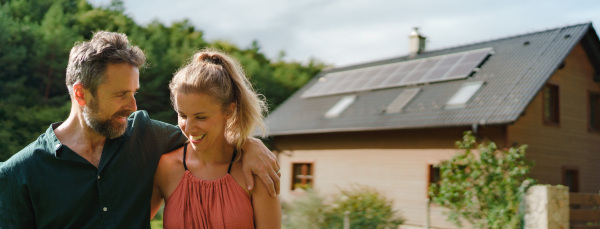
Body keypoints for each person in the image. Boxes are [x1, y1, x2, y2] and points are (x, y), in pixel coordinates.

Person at [0, 31, 280, 228]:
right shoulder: (18, 174)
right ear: (81, 94)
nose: (133, 106)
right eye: (121, 95)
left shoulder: (145, 136)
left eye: (134, 92)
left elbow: (209, 136)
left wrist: (250, 144)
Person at [150, 50, 281, 228]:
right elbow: (126, 221)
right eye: (183, 115)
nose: (188, 128)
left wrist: (251, 143)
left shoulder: (255, 170)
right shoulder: (164, 168)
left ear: (229, 111)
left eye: (201, 117)